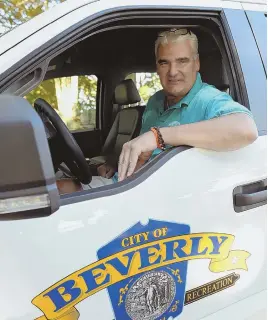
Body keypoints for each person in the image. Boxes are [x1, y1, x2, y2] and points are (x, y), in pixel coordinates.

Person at [57, 28, 258, 193]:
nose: (172, 72)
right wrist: (115, 164)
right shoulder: (155, 100)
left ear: (196, 63)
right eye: (164, 63)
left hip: (156, 201)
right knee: (52, 191)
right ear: (157, 67)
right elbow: (146, 159)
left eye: (182, 61)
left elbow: (246, 129)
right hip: (126, 185)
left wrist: (159, 136)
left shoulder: (208, 99)